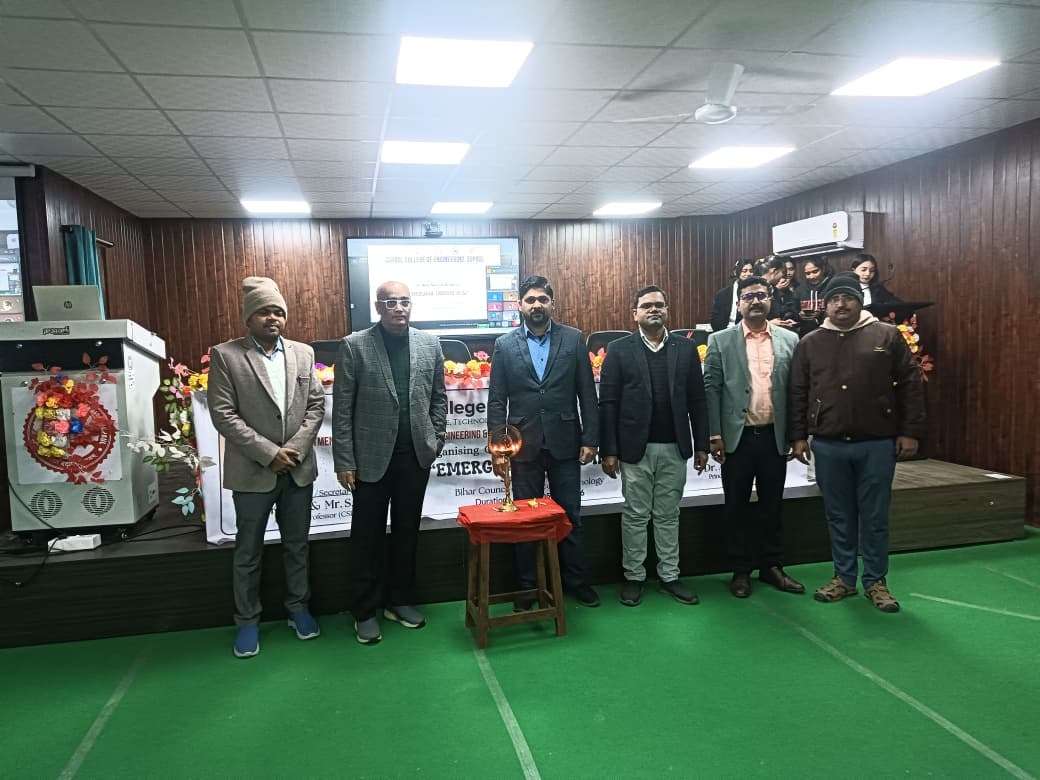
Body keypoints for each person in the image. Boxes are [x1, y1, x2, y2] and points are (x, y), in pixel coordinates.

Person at [789, 272, 926, 612]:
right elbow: (798, 392)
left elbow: (910, 384)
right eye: (834, 299)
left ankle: (876, 581)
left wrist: (910, 431)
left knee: (875, 516)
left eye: (848, 297)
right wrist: (798, 436)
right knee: (838, 515)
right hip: (828, 443)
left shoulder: (886, 335)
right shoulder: (810, 342)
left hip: (877, 442)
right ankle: (844, 578)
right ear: (825, 305)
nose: (841, 304)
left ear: (860, 301)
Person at [208, 276, 326, 658]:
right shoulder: (226, 355)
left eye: (278, 311)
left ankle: (298, 609)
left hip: (297, 469)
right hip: (252, 471)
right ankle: (247, 621)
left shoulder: (303, 353)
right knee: (248, 551)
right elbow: (223, 414)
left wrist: (294, 449)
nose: (272, 318)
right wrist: (268, 452)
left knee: (297, 546)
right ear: (248, 318)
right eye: (263, 311)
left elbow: (316, 406)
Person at [332, 281, 447, 645]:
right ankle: (365, 610)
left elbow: (438, 398)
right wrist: (344, 461)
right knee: (366, 537)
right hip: (369, 460)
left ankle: (400, 601)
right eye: (391, 302)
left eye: (405, 301)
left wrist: (436, 439)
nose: (399, 308)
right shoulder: (355, 346)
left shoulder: (430, 344)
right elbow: (342, 410)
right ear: (378, 306)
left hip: (414, 457)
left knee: (406, 532)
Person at [487, 275, 601, 608]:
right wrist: (498, 448)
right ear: (520, 305)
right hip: (523, 445)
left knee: (570, 516)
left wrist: (591, 438)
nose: (537, 305)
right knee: (525, 519)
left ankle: (575, 582)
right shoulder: (504, 345)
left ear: (552, 303)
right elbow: (497, 400)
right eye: (530, 300)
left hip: (566, 441)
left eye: (543, 299)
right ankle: (528, 587)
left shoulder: (573, 339)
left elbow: (587, 394)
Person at [598, 286, 709, 606]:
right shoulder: (619, 350)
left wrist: (702, 444)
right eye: (646, 306)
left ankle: (669, 576)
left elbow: (697, 400)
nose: (654, 310)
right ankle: (634, 577)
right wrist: (609, 450)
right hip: (635, 449)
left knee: (668, 514)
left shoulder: (685, 349)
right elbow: (608, 403)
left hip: (674, 446)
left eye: (659, 305)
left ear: (667, 310)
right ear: (635, 314)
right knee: (635, 514)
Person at [704, 275, 805, 598]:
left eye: (761, 295)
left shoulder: (790, 339)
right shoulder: (720, 340)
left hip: (775, 436)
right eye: (748, 297)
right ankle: (740, 570)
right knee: (735, 506)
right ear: (739, 304)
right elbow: (711, 389)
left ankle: (772, 566)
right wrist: (714, 433)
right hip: (738, 438)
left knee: (772, 505)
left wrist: (797, 434)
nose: (755, 301)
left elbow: (797, 389)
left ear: (770, 300)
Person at [710, 259, 755, 332]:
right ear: (735, 272)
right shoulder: (722, 294)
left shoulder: (757, 292)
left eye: (751, 271)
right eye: (744, 271)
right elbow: (715, 320)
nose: (748, 274)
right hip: (725, 332)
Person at [794, 258, 834, 337]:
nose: (811, 276)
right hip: (807, 334)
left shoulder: (831, 286)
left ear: (823, 269)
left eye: (815, 272)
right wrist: (799, 315)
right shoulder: (800, 290)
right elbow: (793, 311)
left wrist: (821, 314)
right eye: (807, 274)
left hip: (830, 332)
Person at [760, 256, 799, 328]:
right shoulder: (754, 287)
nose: (783, 276)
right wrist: (769, 324)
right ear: (774, 271)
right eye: (783, 273)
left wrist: (784, 321)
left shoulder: (775, 290)